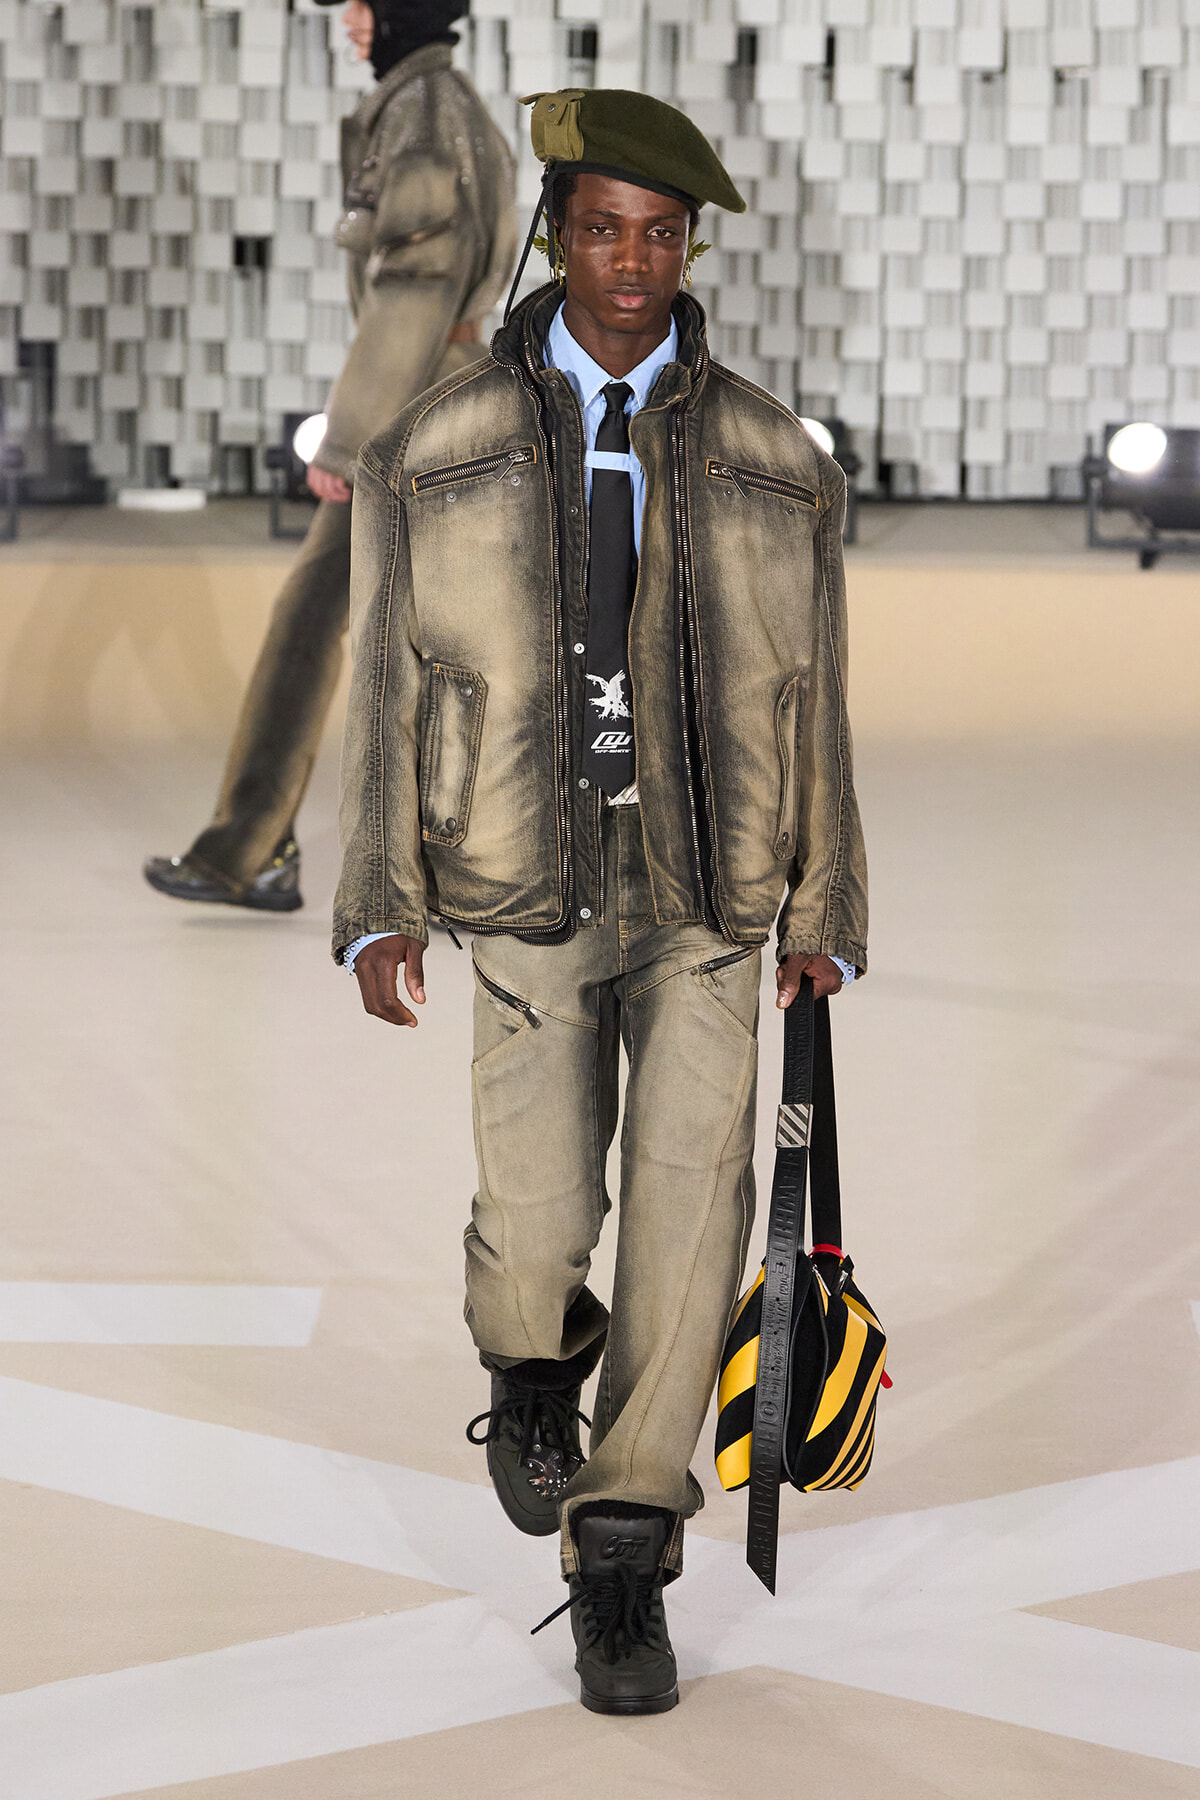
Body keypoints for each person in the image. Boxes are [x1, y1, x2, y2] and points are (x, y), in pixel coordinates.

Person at [335, 87, 868, 1714]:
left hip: (712, 888)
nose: (631, 263)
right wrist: (378, 897)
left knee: (695, 1216)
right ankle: (526, 1350)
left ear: (690, 248)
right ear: (555, 237)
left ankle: (625, 1546)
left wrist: (822, 900)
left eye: (662, 235)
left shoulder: (778, 462)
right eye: (602, 229)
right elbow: (386, 680)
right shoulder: (439, 445)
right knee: (542, 1217)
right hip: (519, 877)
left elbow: (812, 699)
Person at [144, 0, 515, 911]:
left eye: (362, 4)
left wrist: (350, 442)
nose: (349, 20)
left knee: (316, 620)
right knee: (454, 630)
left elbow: (414, 285)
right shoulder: (429, 104)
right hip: (444, 396)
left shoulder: (425, 114)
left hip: (416, 407)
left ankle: (253, 849)